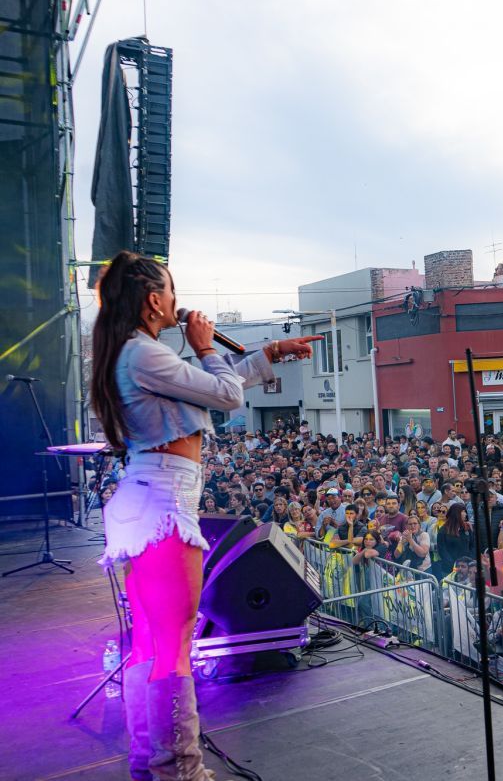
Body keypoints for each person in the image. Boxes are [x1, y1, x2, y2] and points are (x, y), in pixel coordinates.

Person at [91, 251, 318, 780]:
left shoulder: (136, 354)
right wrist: (204, 345)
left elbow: (209, 389)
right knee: (174, 645)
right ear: (153, 301)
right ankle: (181, 770)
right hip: (164, 504)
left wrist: (269, 353)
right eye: (171, 291)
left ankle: (150, 763)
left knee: (152, 640)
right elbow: (225, 394)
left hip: (147, 499)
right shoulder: (144, 354)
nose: (177, 300)